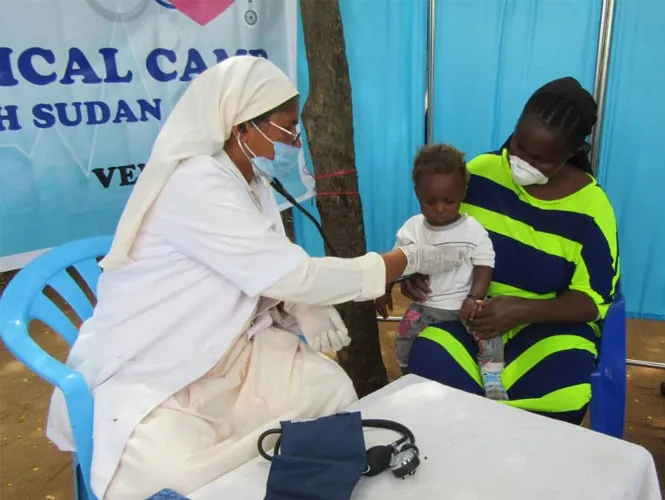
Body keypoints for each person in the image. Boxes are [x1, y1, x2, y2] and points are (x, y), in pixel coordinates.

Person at [45, 56, 468, 500]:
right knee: (178, 473)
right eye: (286, 128)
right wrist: (402, 261)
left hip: (231, 349)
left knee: (328, 392)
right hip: (159, 361)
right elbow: (290, 273)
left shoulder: (252, 184)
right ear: (241, 126)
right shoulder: (197, 184)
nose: (294, 140)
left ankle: (284, 479)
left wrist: (295, 302)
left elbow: (267, 268)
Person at [404, 77, 620, 425]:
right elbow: (438, 234)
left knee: (561, 396)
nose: (520, 162)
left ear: (571, 153)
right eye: (518, 146)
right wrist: (416, 267)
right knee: (429, 368)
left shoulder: (592, 209)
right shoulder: (480, 175)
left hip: (548, 326)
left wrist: (521, 310)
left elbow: (594, 300)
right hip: (470, 316)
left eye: (541, 160)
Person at [375, 144, 506, 400]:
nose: (439, 208)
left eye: (449, 201)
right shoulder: (412, 229)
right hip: (426, 306)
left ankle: (492, 376)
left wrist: (475, 297)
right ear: (417, 194)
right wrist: (384, 288)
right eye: (430, 201)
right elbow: (397, 262)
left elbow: (484, 263)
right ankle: (407, 376)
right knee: (402, 337)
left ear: (463, 193)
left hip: (465, 306)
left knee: (490, 334)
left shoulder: (472, 230)